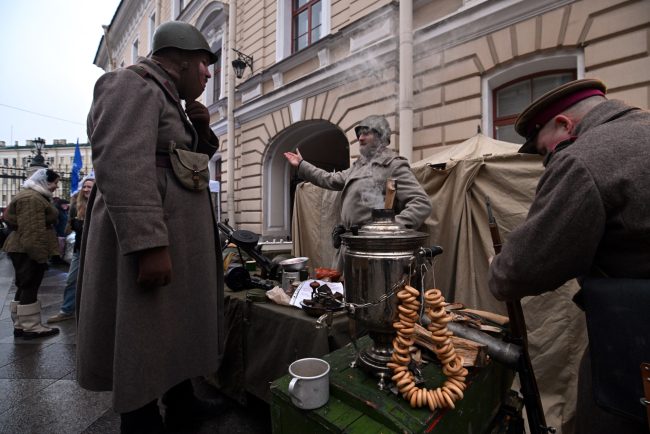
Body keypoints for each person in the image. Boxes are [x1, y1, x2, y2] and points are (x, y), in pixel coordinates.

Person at [77, 21, 224, 433]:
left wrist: (199, 127)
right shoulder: (130, 83)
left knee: (170, 325)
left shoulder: (167, 97)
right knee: (143, 329)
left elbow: (184, 161)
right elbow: (122, 163)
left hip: (171, 234)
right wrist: (148, 244)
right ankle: (139, 420)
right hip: (151, 238)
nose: (209, 73)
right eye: (203, 63)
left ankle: (182, 405)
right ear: (178, 61)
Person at [487, 78, 650, 434]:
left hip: (633, 346)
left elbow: (518, 271)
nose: (548, 162)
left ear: (564, 124)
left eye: (545, 152)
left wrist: (497, 268)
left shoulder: (582, 157)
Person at [284, 114, 432, 258]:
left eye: (366, 133)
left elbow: (421, 203)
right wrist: (302, 165)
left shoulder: (393, 165)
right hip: (349, 245)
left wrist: (388, 228)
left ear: (381, 136)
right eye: (360, 134)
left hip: (375, 251)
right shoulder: (358, 166)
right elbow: (329, 179)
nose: (360, 138)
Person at [3, 168, 61, 339]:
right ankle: (31, 327)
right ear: (45, 181)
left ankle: (21, 324)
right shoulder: (32, 198)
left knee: (24, 285)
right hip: (27, 249)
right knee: (29, 285)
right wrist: (40, 257)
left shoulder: (33, 195)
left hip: (22, 248)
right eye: (54, 182)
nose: (56, 186)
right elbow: (32, 232)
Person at [47, 176, 95, 323]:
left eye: (90, 187)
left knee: (95, 282)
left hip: (95, 250)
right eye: (85, 187)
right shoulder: (76, 205)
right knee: (71, 280)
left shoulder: (101, 204)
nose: (86, 189)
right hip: (80, 248)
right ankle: (67, 310)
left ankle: (94, 312)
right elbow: (72, 226)